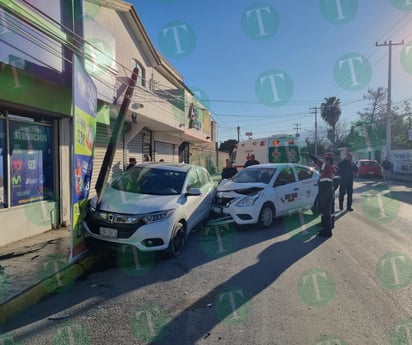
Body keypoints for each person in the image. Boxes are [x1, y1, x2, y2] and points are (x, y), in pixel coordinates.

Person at [308, 152, 337, 238]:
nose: (326, 161)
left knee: (326, 211)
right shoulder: (331, 168)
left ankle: (328, 231)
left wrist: (310, 155)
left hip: (325, 190)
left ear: (330, 161)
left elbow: (318, 161)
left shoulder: (327, 167)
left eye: (328, 160)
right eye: (326, 159)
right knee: (324, 210)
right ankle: (326, 227)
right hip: (326, 189)